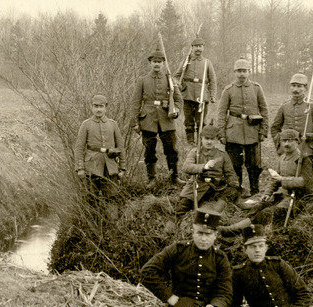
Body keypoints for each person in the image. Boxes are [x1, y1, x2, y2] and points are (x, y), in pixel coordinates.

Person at [141, 210, 246, 307]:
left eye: (208, 234)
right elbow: (147, 271)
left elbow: (224, 291)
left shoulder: (220, 258)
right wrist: (168, 296)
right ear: (193, 231)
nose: (203, 238)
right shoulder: (178, 250)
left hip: (206, 306)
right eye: (199, 233)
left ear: (215, 235)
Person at [216, 57, 268, 197]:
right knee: (234, 164)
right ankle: (237, 190)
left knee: (254, 164)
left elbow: (264, 110)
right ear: (234, 72)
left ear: (249, 72)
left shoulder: (256, 88)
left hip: (252, 131)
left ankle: (255, 190)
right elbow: (221, 113)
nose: (241, 74)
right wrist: (222, 133)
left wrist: (263, 130)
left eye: (244, 71)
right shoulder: (228, 90)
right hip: (233, 132)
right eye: (239, 71)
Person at [131, 49, 183, 183]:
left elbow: (178, 99)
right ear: (150, 63)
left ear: (163, 64)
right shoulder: (142, 80)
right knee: (149, 151)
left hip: (167, 119)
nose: (156, 64)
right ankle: (152, 179)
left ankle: (174, 177)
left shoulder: (170, 80)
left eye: (159, 62)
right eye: (154, 61)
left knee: (171, 150)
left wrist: (175, 110)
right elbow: (136, 102)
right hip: (148, 119)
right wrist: (134, 122)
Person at [242, 128, 313, 212]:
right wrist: (267, 193)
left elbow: (305, 182)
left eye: (290, 141)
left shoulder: (303, 159)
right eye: (284, 141)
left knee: (271, 212)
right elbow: (275, 179)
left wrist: (282, 179)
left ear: (297, 142)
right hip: (282, 194)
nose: (286, 144)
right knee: (256, 207)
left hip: (297, 196)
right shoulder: (282, 158)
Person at [73, 94, 126, 205]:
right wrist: (80, 168)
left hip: (110, 166)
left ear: (106, 108)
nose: (98, 109)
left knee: (112, 197)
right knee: (91, 198)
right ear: (91, 107)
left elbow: (120, 146)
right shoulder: (86, 125)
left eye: (101, 106)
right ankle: (93, 216)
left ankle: (112, 216)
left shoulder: (113, 124)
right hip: (92, 166)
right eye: (96, 106)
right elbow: (79, 147)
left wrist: (122, 167)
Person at [175, 124, 239, 215]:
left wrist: (233, 182)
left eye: (212, 139)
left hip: (217, 188)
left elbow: (230, 173)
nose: (209, 142)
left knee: (232, 192)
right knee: (182, 206)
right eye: (206, 138)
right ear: (201, 138)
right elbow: (186, 167)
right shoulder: (195, 152)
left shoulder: (222, 155)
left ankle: (215, 213)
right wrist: (204, 167)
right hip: (198, 186)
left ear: (216, 140)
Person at [271, 73, 313, 162]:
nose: (295, 89)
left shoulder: (312, 105)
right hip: (288, 152)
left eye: (299, 86)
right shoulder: (284, 106)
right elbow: (274, 128)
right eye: (293, 86)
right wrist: (280, 145)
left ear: (305, 88)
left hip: (307, 151)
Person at [176, 37, 217, 145]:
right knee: (188, 120)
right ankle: (190, 141)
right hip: (187, 94)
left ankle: (200, 142)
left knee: (201, 121)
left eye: (200, 46)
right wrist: (177, 84)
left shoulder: (207, 62)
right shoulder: (186, 61)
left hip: (202, 95)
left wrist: (212, 95)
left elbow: (213, 80)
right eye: (196, 46)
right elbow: (176, 76)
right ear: (192, 48)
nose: (198, 49)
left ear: (203, 48)